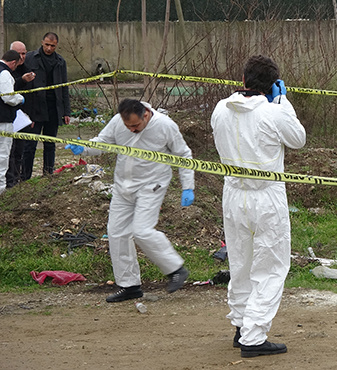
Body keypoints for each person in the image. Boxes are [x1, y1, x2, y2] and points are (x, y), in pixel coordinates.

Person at [210, 55, 306, 358]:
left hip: (233, 194)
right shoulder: (273, 113)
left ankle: (241, 325)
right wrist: (283, 103)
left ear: (243, 80)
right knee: (271, 266)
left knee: (241, 263)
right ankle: (253, 336)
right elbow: (298, 138)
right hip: (265, 197)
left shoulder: (220, 109)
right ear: (273, 84)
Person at [65, 99, 195, 302]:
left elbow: (183, 154)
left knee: (142, 231)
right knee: (117, 233)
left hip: (152, 185)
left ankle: (175, 269)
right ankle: (129, 286)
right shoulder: (118, 121)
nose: (132, 130)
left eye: (135, 126)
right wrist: (84, 148)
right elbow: (103, 142)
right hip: (123, 185)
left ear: (145, 114)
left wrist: (188, 186)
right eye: (128, 127)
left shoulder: (165, 125)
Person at [21, 32, 71, 179]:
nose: (49, 48)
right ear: (42, 42)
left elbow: (64, 87)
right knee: (30, 145)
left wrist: (66, 111)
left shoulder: (60, 62)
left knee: (50, 144)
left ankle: (48, 175)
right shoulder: (30, 58)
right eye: (47, 45)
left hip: (54, 109)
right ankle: (25, 177)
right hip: (34, 108)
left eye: (52, 46)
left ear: (57, 45)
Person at [6, 41, 35, 188]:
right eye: (19, 54)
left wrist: (31, 116)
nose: (22, 57)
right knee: (8, 152)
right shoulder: (6, 71)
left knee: (19, 151)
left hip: (23, 118)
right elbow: (8, 92)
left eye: (24, 53)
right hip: (8, 117)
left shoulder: (28, 69)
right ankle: (8, 181)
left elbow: (31, 97)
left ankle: (17, 180)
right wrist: (21, 81)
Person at [0, 50, 26, 194]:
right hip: (3, 120)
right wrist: (19, 98)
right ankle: (1, 190)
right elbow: (8, 97)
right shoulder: (4, 74)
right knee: (3, 155)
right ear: (13, 62)